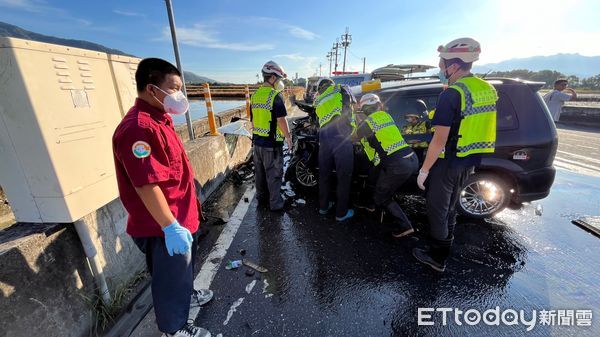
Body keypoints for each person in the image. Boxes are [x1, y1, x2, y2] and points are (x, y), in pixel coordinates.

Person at [112, 58, 213, 337]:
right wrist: (169, 226)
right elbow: (146, 184)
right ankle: (174, 328)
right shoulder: (138, 129)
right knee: (170, 279)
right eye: (174, 88)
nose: (179, 95)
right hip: (163, 224)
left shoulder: (161, 119)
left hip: (181, 215)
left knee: (182, 272)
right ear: (151, 88)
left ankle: (187, 295)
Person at [413, 38, 498, 272]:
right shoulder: (485, 88)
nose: (440, 68)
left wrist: (424, 170)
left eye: (442, 64)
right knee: (450, 207)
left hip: (448, 161)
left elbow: (440, 139)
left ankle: (437, 258)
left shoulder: (453, 94)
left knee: (437, 209)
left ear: (454, 65)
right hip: (470, 160)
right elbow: (469, 119)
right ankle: (445, 246)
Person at [353, 94, 418, 237]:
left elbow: (354, 136)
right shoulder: (385, 116)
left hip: (398, 165)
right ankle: (370, 205)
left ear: (364, 108)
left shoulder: (368, 122)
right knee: (374, 177)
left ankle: (404, 226)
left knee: (382, 196)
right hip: (411, 158)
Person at [250, 61, 292, 211]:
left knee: (260, 175)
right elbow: (281, 120)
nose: (280, 82)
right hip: (271, 145)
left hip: (257, 143)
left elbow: (253, 121)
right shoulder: (276, 96)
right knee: (274, 175)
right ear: (273, 78)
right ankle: (275, 205)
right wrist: (288, 137)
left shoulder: (254, 96)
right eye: (279, 79)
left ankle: (262, 200)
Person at [314, 78, 356, 221]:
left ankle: (323, 207)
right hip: (341, 137)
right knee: (343, 177)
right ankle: (341, 213)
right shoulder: (341, 88)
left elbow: (317, 122)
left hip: (324, 140)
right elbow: (351, 110)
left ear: (320, 88)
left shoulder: (318, 101)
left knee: (324, 175)